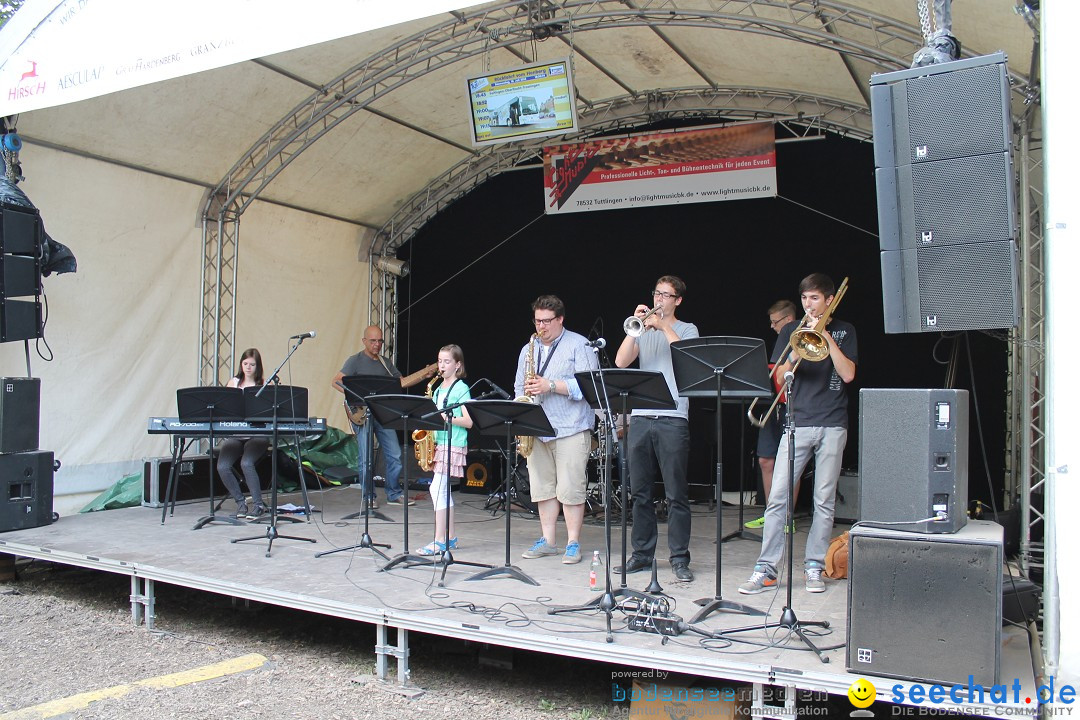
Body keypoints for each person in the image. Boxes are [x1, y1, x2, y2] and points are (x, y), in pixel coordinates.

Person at [739, 273, 857, 595]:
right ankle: (766, 569)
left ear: (829, 300)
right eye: (805, 298)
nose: (809, 304)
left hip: (833, 423)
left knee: (823, 500)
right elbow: (779, 376)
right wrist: (800, 343)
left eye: (815, 298)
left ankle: (814, 568)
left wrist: (825, 337)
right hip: (797, 422)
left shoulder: (845, 331)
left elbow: (847, 374)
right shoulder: (791, 331)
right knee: (777, 498)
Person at [614, 276, 699, 582]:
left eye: (666, 295)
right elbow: (621, 362)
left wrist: (663, 326)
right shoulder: (643, 328)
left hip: (674, 418)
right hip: (641, 418)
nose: (659, 300)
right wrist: (634, 326)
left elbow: (688, 359)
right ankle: (641, 555)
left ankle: (679, 558)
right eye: (656, 294)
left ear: (678, 300)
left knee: (676, 493)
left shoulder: (687, 329)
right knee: (640, 492)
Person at [515, 295, 599, 565]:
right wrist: (521, 411)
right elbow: (519, 386)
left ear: (560, 319)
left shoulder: (579, 345)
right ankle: (549, 540)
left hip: (571, 428)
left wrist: (551, 385)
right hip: (537, 428)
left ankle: (573, 542)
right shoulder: (528, 349)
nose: (541, 327)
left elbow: (590, 387)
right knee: (543, 488)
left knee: (571, 488)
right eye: (537, 320)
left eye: (547, 321)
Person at [331, 325, 436, 508]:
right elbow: (336, 381)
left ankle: (393, 493)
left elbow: (401, 382)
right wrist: (354, 396)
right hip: (362, 414)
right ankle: (368, 496)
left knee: (394, 454)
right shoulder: (354, 361)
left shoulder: (385, 363)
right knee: (365, 458)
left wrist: (423, 375)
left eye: (380, 341)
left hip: (382, 414)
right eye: (373, 341)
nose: (377, 344)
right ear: (364, 341)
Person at [745, 299, 799, 530]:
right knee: (766, 460)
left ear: (788, 320)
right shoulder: (781, 338)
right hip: (773, 406)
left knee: (791, 463)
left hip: (796, 406)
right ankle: (771, 513)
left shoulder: (798, 333)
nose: (772, 326)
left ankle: (787, 517)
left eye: (775, 322)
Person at [416, 344, 473, 556]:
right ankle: (450, 537)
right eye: (440, 361)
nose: (442, 366)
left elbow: (468, 421)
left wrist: (446, 417)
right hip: (439, 443)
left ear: (458, 365)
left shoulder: (461, 388)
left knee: (437, 489)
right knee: (441, 490)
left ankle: (440, 540)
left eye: (447, 362)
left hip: (454, 442)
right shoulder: (438, 389)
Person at [217, 348, 270, 520]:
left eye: (252, 364)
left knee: (247, 463)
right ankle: (240, 503)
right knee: (223, 466)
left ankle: (258, 505)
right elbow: (223, 407)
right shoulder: (233, 382)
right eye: (245, 363)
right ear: (241, 364)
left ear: (258, 366)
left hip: (256, 433)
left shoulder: (264, 384)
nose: (248, 367)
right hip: (236, 433)